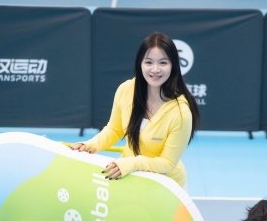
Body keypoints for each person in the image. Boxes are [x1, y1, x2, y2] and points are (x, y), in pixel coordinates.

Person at [70, 31, 199, 188]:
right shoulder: (126, 89)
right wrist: (90, 145)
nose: (155, 69)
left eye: (163, 63)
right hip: (131, 179)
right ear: (140, 64)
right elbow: (114, 129)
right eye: (149, 62)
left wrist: (131, 163)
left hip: (167, 187)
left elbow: (167, 164)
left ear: (173, 66)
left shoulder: (181, 113)